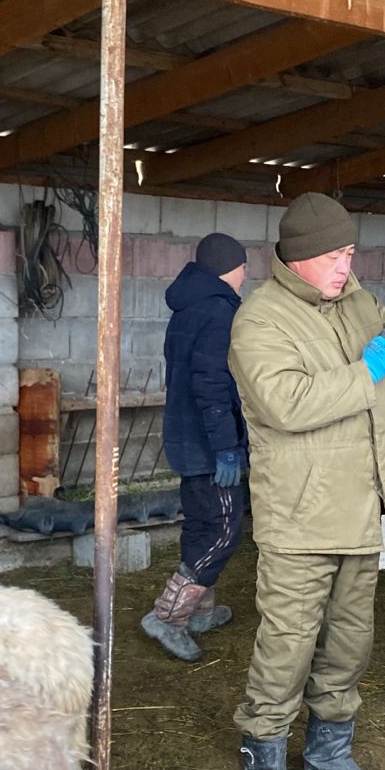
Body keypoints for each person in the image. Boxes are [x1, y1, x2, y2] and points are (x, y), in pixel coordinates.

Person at [228, 191, 385, 770]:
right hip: (300, 518)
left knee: (349, 645)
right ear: (295, 259)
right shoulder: (259, 322)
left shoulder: (359, 303)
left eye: (348, 252)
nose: (343, 266)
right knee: (286, 648)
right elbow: (286, 404)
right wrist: (365, 368)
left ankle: (328, 758)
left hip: (360, 507)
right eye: (330, 256)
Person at [141, 232, 248, 664]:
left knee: (202, 524)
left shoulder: (186, 307)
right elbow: (212, 385)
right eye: (243, 267)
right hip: (209, 443)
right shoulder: (219, 311)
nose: (245, 275)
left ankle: (200, 609)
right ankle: (169, 616)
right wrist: (227, 448)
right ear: (228, 268)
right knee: (223, 531)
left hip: (186, 436)